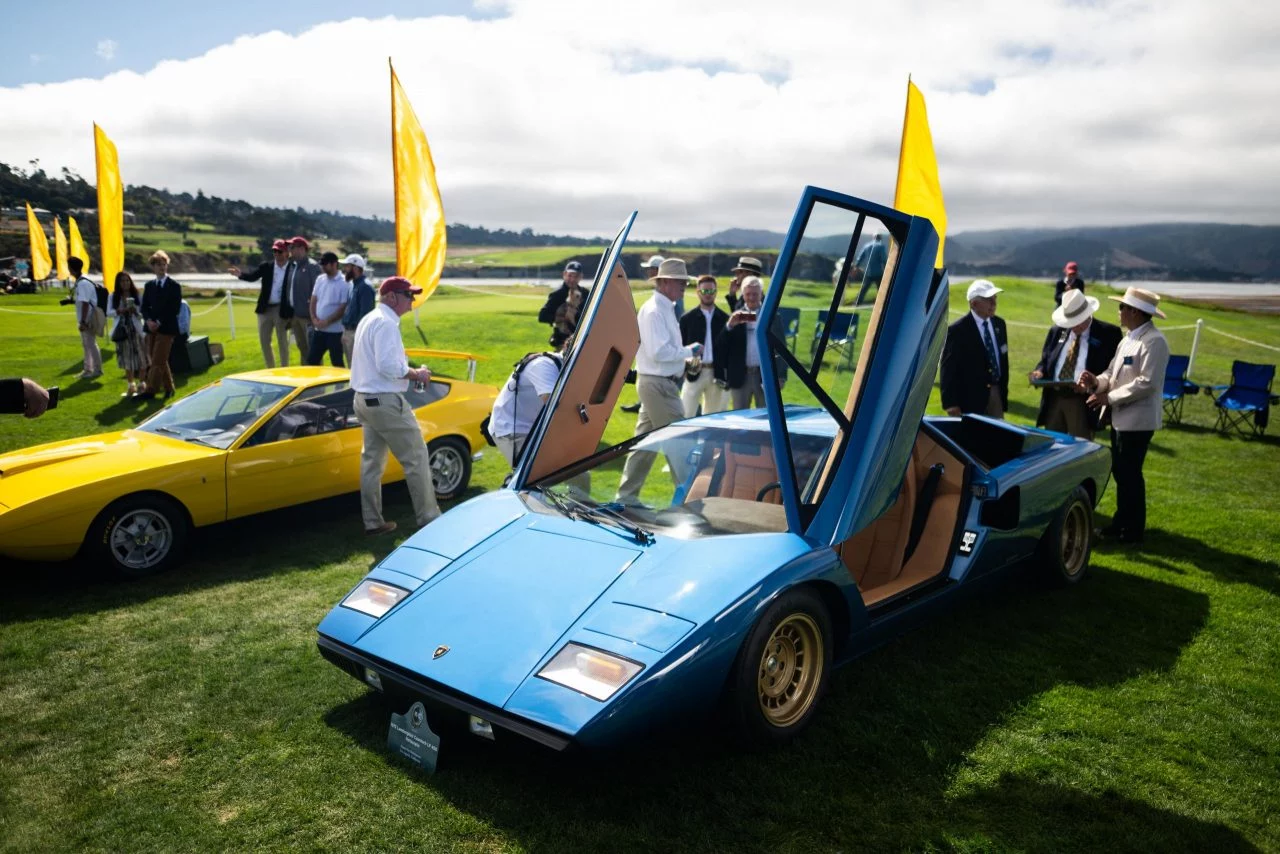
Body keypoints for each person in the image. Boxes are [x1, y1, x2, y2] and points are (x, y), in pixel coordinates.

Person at [1078, 287, 1171, 545]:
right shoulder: (1128, 338)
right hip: (1122, 419)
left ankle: (1132, 530)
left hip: (1138, 421)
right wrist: (1095, 382)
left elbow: (1147, 383)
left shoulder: (1155, 341)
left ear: (1134, 311)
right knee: (1122, 472)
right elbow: (1111, 372)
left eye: (1122, 307)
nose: (1118, 312)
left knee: (1130, 473)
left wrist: (1109, 398)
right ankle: (1122, 523)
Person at [349, 276, 441, 536]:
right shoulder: (386, 323)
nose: (412, 299)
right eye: (408, 294)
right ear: (391, 297)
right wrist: (417, 373)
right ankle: (429, 518)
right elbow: (389, 366)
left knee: (372, 463)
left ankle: (373, 521)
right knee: (416, 457)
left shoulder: (370, 318)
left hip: (363, 400)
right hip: (385, 402)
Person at [615, 258, 700, 505]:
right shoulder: (654, 311)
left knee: (643, 446)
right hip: (658, 385)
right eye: (679, 281)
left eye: (684, 281)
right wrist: (689, 351)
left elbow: (662, 351)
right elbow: (659, 353)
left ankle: (625, 498)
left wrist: (684, 357)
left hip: (657, 383)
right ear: (663, 282)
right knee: (680, 443)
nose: (684, 285)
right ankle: (689, 503)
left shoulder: (664, 308)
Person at [1030, 288, 1122, 439]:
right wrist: (1039, 371)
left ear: (1088, 314)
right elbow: (1046, 360)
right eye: (1070, 322)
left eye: (1077, 321)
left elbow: (1113, 370)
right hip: (1054, 397)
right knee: (1051, 447)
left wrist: (1091, 386)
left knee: (1079, 448)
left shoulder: (1108, 334)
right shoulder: (1057, 331)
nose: (1074, 326)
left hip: (1083, 402)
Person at [489, 335, 572, 467]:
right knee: (538, 473)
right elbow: (553, 405)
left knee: (577, 474)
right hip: (511, 427)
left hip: (531, 427)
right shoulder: (545, 365)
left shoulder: (562, 368)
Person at [940, 280, 1009, 418]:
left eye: (995, 298)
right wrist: (950, 402)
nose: (994, 303)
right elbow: (948, 368)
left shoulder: (999, 324)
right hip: (969, 399)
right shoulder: (957, 330)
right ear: (974, 303)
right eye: (988, 299)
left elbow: (1003, 360)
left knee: (998, 437)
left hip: (996, 394)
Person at [716, 276, 787, 410]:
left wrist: (781, 376)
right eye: (748, 294)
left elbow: (781, 348)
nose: (752, 297)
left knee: (766, 417)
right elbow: (721, 347)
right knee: (741, 418)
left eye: (755, 294)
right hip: (740, 375)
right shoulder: (736, 316)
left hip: (765, 375)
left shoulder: (772, 316)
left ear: (761, 294)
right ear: (743, 294)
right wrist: (729, 326)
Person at [229, 238, 294, 368]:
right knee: (264, 341)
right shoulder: (266, 266)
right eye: (274, 251)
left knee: (282, 341)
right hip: (265, 309)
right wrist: (240, 275)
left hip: (281, 309)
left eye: (279, 251)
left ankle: (284, 369)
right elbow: (253, 276)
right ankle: (270, 370)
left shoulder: (293, 268)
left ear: (287, 253)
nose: (276, 254)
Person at [679, 275, 729, 417]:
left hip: (717, 373)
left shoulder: (725, 319)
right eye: (705, 291)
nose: (708, 294)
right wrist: (683, 370)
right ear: (698, 292)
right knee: (686, 414)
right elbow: (680, 347)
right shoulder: (687, 319)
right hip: (693, 372)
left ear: (716, 292)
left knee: (713, 418)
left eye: (711, 291)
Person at [137, 250, 182, 400]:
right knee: (160, 360)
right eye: (158, 265)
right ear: (153, 267)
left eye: (164, 264)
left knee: (157, 360)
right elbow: (144, 307)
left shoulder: (174, 286)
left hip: (167, 328)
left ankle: (150, 390)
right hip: (151, 328)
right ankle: (169, 387)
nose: (162, 267)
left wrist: (158, 322)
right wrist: (149, 320)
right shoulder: (149, 285)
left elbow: (174, 309)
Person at [107, 272, 150, 397]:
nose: (125, 283)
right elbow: (108, 312)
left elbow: (143, 312)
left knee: (142, 357)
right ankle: (131, 385)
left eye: (127, 280)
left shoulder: (137, 295)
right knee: (126, 358)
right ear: (118, 283)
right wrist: (119, 311)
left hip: (136, 330)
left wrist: (135, 311)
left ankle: (142, 383)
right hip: (122, 330)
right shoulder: (114, 296)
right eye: (122, 281)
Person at [307, 252, 348, 366]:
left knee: (337, 363)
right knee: (311, 362)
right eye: (322, 264)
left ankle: (340, 384)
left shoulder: (344, 282)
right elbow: (313, 300)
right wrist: (314, 319)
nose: (322, 267)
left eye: (325, 264)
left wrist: (327, 321)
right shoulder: (320, 279)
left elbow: (342, 307)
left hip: (335, 332)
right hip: (319, 330)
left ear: (334, 264)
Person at [285, 236, 321, 364]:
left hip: (308, 317)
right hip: (295, 315)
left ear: (301, 249)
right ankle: (306, 376)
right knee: (302, 348)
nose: (289, 250)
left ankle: (318, 379)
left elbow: (318, 292)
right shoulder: (294, 266)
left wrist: (313, 315)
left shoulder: (312, 266)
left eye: (292, 247)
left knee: (313, 350)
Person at [537, 261, 588, 346]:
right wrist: (561, 317)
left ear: (581, 277)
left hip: (581, 340)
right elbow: (542, 316)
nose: (572, 279)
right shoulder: (557, 294)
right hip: (562, 341)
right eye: (570, 275)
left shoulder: (586, 293)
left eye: (576, 276)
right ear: (564, 274)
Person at [70, 257, 102, 380]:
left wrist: (83, 321)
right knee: (87, 344)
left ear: (71, 269)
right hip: (88, 316)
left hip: (88, 318)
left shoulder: (82, 283)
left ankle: (96, 369)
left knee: (90, 344)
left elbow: (85, 303)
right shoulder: (84, 280)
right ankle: (88, 369)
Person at [340, 253, 374, 364]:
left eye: (347, 266)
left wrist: (357, 337)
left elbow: (365, 316)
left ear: (355, 268)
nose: (344, 269)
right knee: (351, 369)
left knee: (357, 370)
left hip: (356, 334)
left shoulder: (365, 287)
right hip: (348, 332)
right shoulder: (353, 285)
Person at [852, 233, 888, 304]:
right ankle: (882, 303)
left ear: (873, 237)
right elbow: (884, 259)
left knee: (864, 288)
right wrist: (886, 269)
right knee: (881, 289)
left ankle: (857, 302)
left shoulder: (866, 246)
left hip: (868, 271)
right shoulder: (881, 246)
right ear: (880, 238)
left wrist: (856, 266)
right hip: (878, 271)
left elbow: (860, 257)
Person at [551, 282, 583, 349]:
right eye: (577, 297)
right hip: (563, 340)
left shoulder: (575, 309)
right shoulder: (566, 308)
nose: (580, 300)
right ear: (570, 295)